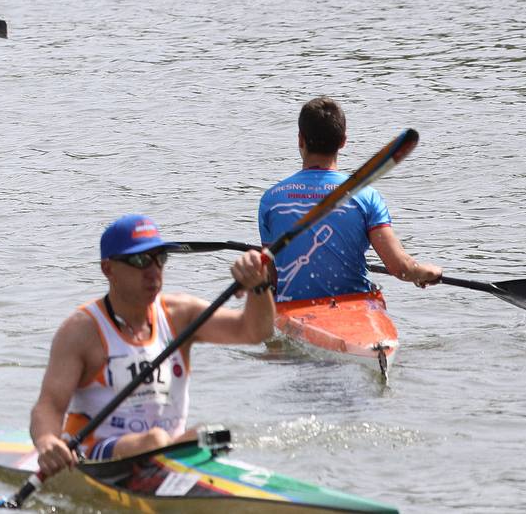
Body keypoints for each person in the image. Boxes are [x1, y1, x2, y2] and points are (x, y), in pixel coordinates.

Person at [28, 215, 274, 478]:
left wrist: (258, 286)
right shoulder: (81, 331)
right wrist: (47, 443)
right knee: (154, 440)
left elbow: (255, 331)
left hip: (164, 450)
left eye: (160, 258)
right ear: (107, 269)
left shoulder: (180, 314)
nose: (154, 270)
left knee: (215, 435)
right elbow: (50, 404)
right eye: (140, 260)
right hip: (94, 454)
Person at [260, 97, 442, 306]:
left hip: (293, 308)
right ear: (343, 141)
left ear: (300, 139)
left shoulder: (271, 199)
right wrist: (427, 271)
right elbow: (400, 268)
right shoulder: (366, 196)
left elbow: (270, 278)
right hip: (356, 307)